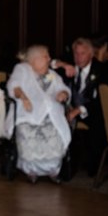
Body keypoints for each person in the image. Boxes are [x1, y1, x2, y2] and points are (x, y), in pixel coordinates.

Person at [7, 45, 70, 183]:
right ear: (34, 59)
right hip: (27, 114)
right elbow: (13, 85)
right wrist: (24, 98)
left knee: (55, 131)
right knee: (27, 130)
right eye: (45, 56)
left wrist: (63, 93)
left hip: (50, 115)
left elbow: (62, 87)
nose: (49, 59)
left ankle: (53, 170)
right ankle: (32, 170)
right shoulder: (22, 69)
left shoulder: (51, 74)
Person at [54, 37, 108, 176]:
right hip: (71, 109)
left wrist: (78, 110)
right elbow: (50, 63)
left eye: (82, 53)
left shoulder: (102, 70)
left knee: (97, 121)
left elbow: (101, 100)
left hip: (92, 110)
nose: (78, 57)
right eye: (76, 53)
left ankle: (93, 167)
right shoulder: (71, 66)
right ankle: (60, 166)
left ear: (91, 54)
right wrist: (64, 65)